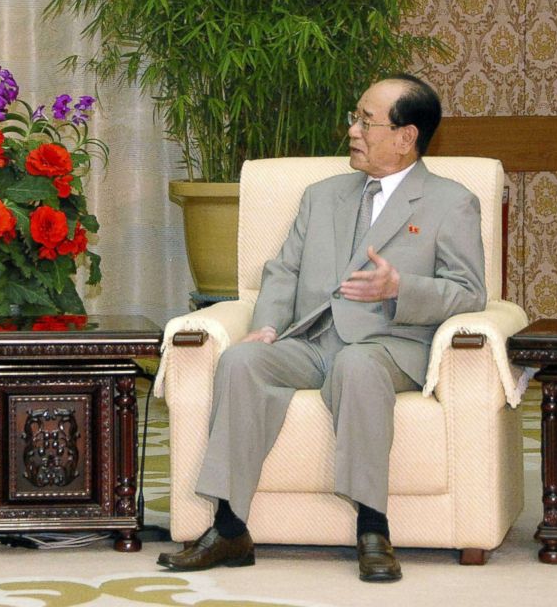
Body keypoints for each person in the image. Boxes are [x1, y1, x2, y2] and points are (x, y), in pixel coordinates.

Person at [157, 74, 486, 582]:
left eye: (365, 121)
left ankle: (373, 527)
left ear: (406, 137)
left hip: (390, 345)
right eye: (354, 117)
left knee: (357, 364)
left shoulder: (450, 201)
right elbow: (283, 270)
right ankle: (228, 527)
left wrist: (401, 287)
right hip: (311, 339)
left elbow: (469, 292)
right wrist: (266, 326)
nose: (352, 130)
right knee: (242, 360)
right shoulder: (321, 195)